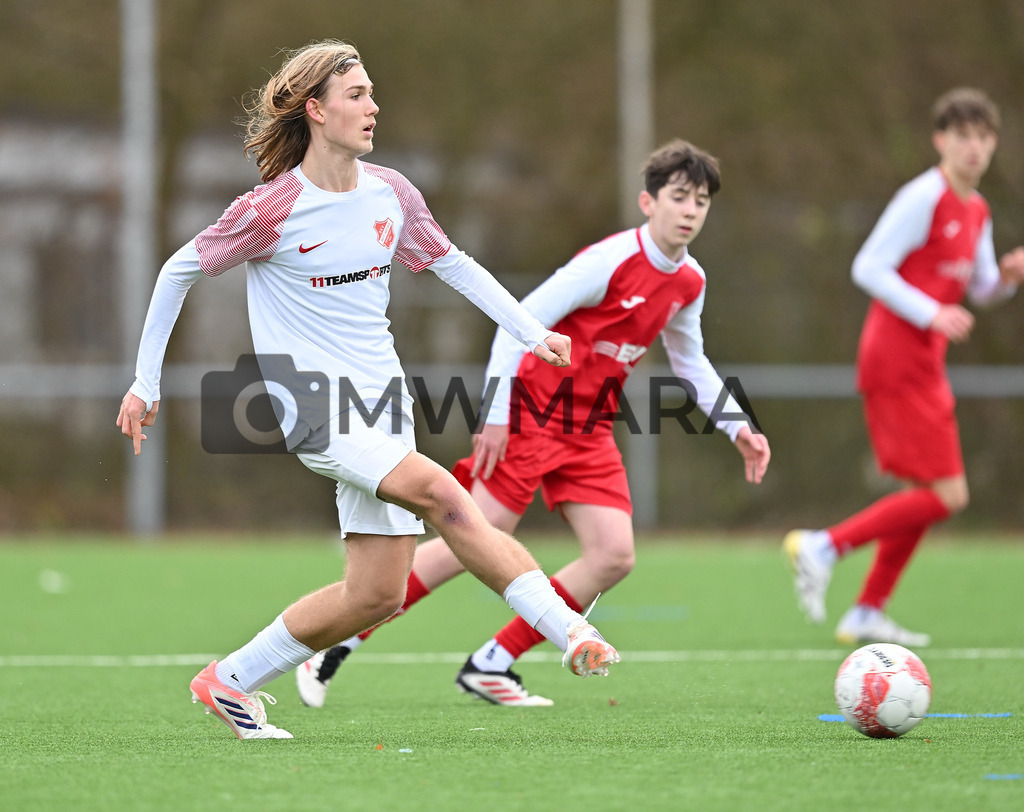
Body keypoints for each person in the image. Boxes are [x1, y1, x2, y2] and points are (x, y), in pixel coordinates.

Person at [116, 40, 619, 739]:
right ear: (316, 110)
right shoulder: (273, 208)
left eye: (372, 92)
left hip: (384, 407)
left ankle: (227, 680)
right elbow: (178, 270)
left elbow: (455, 265)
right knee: (449, 495)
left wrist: (533, 332)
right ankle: (569, 631)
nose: (373, 106)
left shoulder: (391, 194)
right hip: (314, 408)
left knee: (376, 594)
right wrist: (144, 384)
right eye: (357, 94)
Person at [296, 138, 771, 708]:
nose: (690, 210)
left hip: (590, 430)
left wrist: (735, 423)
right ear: (649, 203)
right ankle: (336, 640)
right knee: (467, 541)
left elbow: (690, 359)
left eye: (701, 201)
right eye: (679, 197)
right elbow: (515, 324)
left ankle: (492, 663)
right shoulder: (609, 262)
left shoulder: (689, 281)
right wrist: (496, 414)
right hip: (530, 413)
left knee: (613, 555)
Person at [785, 88, 1024, 647]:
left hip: (923, 361)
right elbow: (867, 265)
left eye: (984, 136)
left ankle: (868, 609)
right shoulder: (923, 196)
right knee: (949, 494)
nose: (975, 147)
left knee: (926, 490)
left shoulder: (978, 209)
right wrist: (931, 310)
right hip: (895, 356)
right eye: (963, 135)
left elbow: (981, 289)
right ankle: (825, 546)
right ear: (940, 140)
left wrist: (1008, 278)